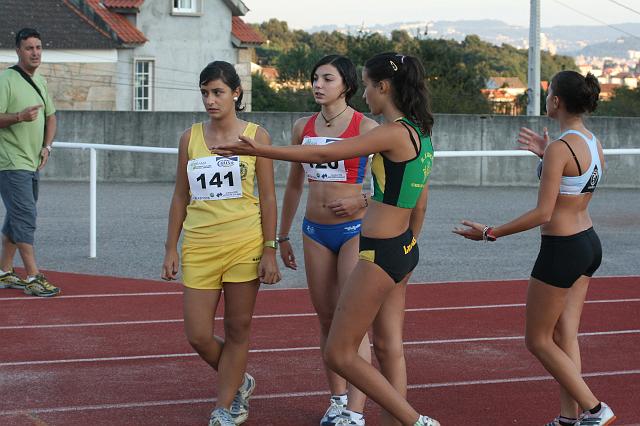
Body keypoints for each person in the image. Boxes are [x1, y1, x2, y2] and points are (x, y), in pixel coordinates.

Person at [215, 52, 439, 426]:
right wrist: (410, 243)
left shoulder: (390, 132)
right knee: (387, 346)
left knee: (339, 351)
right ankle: (398, 421)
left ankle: (414, 421)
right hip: (402, 246)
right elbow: (420, 201)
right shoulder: (421, 133)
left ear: (383, 87)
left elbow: (322, 151)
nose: (364, 94)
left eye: (367, 85)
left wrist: (259, 150)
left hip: (379, 251)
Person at [453, 71, 615, 426]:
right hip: (588, 243)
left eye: (549, 93)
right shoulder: (591, 142)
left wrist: (490, 232)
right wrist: (546, 156)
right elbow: (577, 186)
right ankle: (569, 418)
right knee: (565, 334)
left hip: (562, 249)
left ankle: (595, 409)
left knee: (538, 339)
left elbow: (544, 212)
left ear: (556, 101)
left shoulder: (561, 148)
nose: (546, 98)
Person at [161, 61, 281, 426]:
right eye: (205, 93)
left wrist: (269, 249)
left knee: (237, 329)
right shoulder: (190, 137)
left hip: (244, 243)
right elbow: (180, 197)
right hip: (200, 244)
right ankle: (239, 380)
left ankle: (224, 407)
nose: (210, 100)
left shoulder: (256, 136)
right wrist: (170, 247)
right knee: (197, 333)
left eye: (217, 92)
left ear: (236, 93)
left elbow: (269, 198)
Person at [278, 54, 378, 426]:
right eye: (315, 78)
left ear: (347, 85)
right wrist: (281, 235)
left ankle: (356, 410)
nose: (318, 85)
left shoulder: (366, 127)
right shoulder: (301, 127)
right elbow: (292, 185)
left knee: (351, 320)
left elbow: (390, 185)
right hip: (314, 231)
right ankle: (337, 400)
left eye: (327, 79)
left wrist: (362, 198)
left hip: (354, 230)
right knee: (325, 318)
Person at [0, 28, 59, 297]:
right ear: (18, 51)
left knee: (17, 215)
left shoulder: (41, 81)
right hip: (10, 162)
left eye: (38, 47)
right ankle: (33, 276)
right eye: (29, 48)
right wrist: (18, 117)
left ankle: (4, 271)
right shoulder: (6, 80)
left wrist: (47, 146)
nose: (35, 52)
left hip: (32, 161)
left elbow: (51, 117)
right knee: (25, 215)